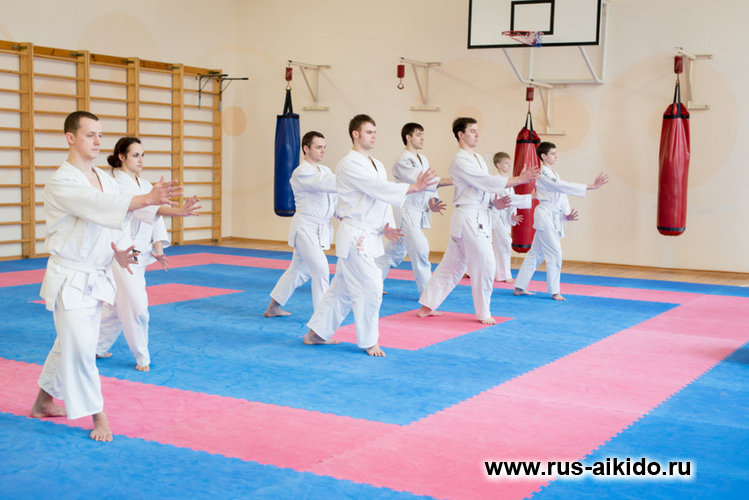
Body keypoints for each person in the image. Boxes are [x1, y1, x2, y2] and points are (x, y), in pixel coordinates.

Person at [30, 111, 182, 442]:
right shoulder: (62, 182)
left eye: (100, 135)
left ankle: (43, 402)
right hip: (70, 278)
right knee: (82, 350)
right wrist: (148, 198)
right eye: (90, 135)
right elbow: (97, 206)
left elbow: (117, 217)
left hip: (96, 276)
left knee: (67, 345)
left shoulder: (104, 177)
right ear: (71, 138)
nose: (98, 141)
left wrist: (118, 252)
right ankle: (99, 417)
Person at [303, 114, 437, 356]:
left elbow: (381, 198)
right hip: (356, 235)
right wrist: (414, 187)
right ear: (355, 134)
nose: (373, 136)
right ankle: (369, 341)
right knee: (372, 288)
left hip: (370, 235)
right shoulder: (348, 164)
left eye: (375, 132)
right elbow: (376, 188)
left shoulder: (377, 164)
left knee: (342, 291)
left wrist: (386, 226)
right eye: (368, 132)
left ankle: (316, 334)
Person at [417, 117, 539, 324]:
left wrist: (496, 203)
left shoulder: (479, 159)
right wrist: (519, 179)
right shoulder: (459, 160)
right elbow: (486, 181)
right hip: (469, 218)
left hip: (479, 215)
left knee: (452, 266)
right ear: (461, 134)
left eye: (477, 130)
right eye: (472, 130)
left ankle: (426, 306)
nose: (477, 134)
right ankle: (483, 312)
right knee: (486, 263)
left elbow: (486, 189)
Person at [96, 137, 201, 371]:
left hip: (140, 252)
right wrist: (180, 211)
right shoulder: (117, 184)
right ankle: (142, 357)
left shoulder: (143, 184)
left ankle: (96, 347)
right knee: (137, 306)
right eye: (135, 155)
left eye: (142, 155)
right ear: (121, 156)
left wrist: (159, 248)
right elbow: (149, 209)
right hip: (123, 252)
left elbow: (155, 218)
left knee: (116, 306)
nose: (141, 159)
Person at [513, 141, 608, 301]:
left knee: (536, 253)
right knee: (555, 253)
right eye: (552, 153)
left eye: (556, 153)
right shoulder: (542, 174)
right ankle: (555, 291)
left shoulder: (553, 174)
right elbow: (563, 187)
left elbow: (561, 194)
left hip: (552, 216)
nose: (556, 156)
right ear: (543, 156)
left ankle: (519, 287)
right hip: (545, 216)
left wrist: (566, 214)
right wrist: (591, 186)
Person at [265, 131, 337, 317]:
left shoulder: (326, 171)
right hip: (305, 229)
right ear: (306, 148)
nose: (323, 151)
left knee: (298, 271)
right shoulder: (301, 173)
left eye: (324, 147)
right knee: (321, 269)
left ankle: (273, 307)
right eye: (318, 147)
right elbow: (323, 185)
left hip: (320, 229)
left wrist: (341, 214)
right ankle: (321, 320)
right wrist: (350, 178)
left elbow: (332, 199)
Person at [376, 123, 452, 296]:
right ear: (408, 137)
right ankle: (427, 295)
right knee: (421, 250)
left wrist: (432, 201)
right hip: (406, 210)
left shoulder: (423, 159)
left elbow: (428, 186)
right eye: (418, 134)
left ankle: (371, 284)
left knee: (393, 252)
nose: (422, 138)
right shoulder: (403, 161)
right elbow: (424, 182)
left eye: (423, 134)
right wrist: (455, 179)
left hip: (418, 211)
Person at [490, 152, 532, 283]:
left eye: (510, 163)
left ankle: (471, 271)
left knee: (492, 246)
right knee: (505, 243)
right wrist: (531, 196)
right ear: (498, 165)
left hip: (503, 218)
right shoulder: (495, 180)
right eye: (506, 163)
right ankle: (504, 275)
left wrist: (512, 216)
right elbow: (507, 199)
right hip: (495, 216)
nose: (509, 165)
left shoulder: (509, 182)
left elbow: (511, 202)